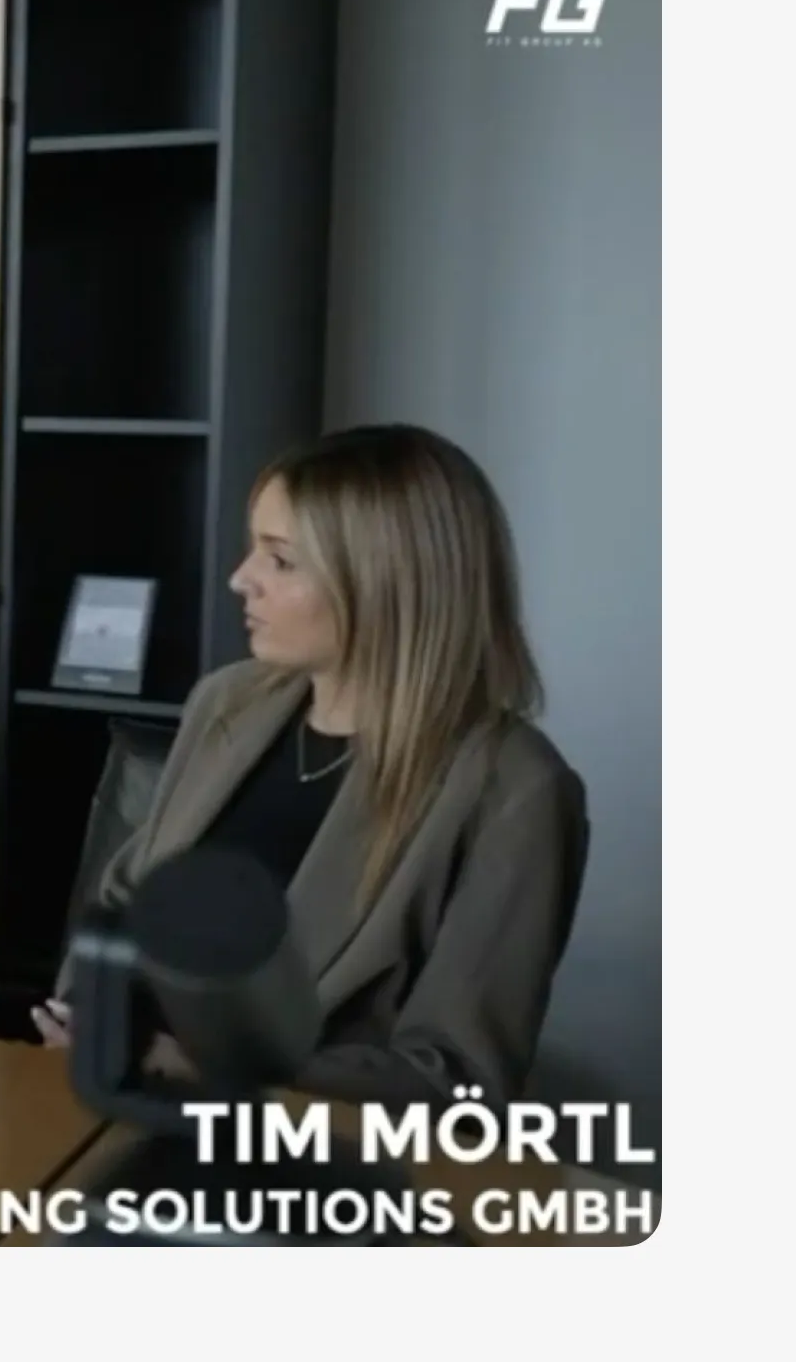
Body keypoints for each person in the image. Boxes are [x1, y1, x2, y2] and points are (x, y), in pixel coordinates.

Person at [35, 423, 587, 1110]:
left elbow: (455, 1080)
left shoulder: (515, 790)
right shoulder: (227, 702)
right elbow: (124, 896)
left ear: (386, 583)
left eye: (281, 561)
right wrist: (90, 1018)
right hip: (109, 1104)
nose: (241, 579)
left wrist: (200, 1070)